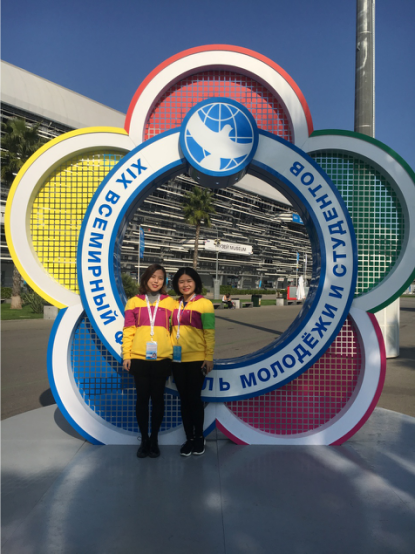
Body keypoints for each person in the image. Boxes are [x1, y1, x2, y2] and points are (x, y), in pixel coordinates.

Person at [122, 264, 175, 459]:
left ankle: (154, 440)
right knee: (142, 400)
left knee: (158, 400)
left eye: (160, 278)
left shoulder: (171, 303)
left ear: (164, 281)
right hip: (139, 357)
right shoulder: (133, 302)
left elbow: (176, 332)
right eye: (153, 277)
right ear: (145, 278)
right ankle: (144, 439)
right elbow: (128, 330)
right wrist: (127, 355)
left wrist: (174, 355)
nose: (156, 281)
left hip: (162, 358)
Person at [171, 268, 215, 457]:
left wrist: (208, 356)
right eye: (181, 281)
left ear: (196, 282)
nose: (185, 285)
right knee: (184, 400)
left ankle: (199, 437)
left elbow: (209, 332)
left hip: (196, 360)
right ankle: (189, 438)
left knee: (194, 399)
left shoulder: (205, 304)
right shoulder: (173, 303)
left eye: (189, 281)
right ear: (177, 284)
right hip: (176, 360)